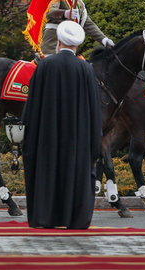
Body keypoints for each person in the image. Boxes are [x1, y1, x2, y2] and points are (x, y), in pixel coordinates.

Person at [22, 20, 102, 229]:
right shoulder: (85, 69)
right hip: (78, 139)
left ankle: (45, 217)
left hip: (46, 137)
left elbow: (31, 106)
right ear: (77, 45)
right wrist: (95, 139)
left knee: (47, 172)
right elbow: (94, 109)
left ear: (58, 41)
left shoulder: (45, 66)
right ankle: (73, 219)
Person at [40, 0, 114, 56]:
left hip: (71, 46)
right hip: (53, 45)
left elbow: (88, 24)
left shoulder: (78, 1)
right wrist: (65, 13)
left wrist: (104, 39)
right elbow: (48, 12)